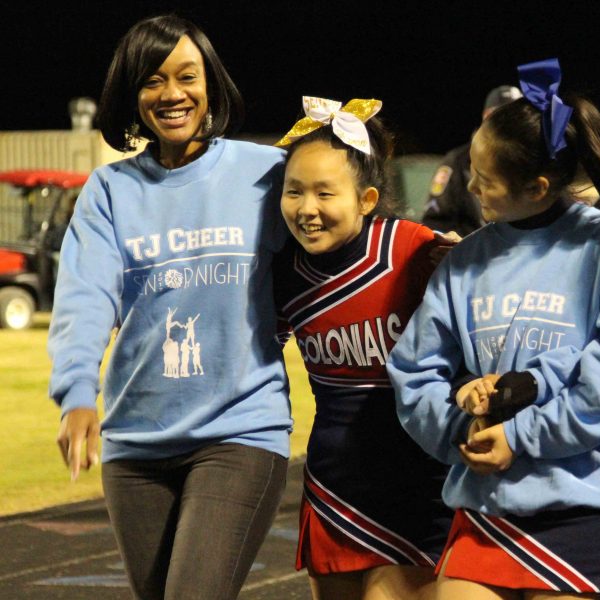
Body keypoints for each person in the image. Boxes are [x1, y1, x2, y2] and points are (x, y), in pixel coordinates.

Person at [388, 58, 600, 600]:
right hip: (484, 505)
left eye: (483, 180)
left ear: (537, 187)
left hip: (580, 506)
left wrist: (521, 437)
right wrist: (460, 429)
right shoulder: (465, 262)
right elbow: (414, 371)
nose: (469, 187)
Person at [48, 15, 292, 600]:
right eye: (153, 81)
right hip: (135, 446)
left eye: (188, 76)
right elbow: (85, 295)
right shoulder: (109, 191)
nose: (173, 94)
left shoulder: (264, 173)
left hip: (240, 431)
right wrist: (77, 392)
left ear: (211, 85)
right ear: (132, 94)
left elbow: (338, 237)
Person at [272, 96, 452, 600]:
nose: (306, 209)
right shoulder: (284, 275)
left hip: (418, 487)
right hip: (335, 488)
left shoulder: (412, 249)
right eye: (293, 192)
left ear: (367, 199)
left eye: (324, 194)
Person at [420, 85, 522, 236]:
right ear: (485, 117)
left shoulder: (531, 159)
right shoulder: (457, 161)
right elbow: (435, 221)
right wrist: (461, 246)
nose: (507, 125)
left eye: (515, 118)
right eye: (499, 116)